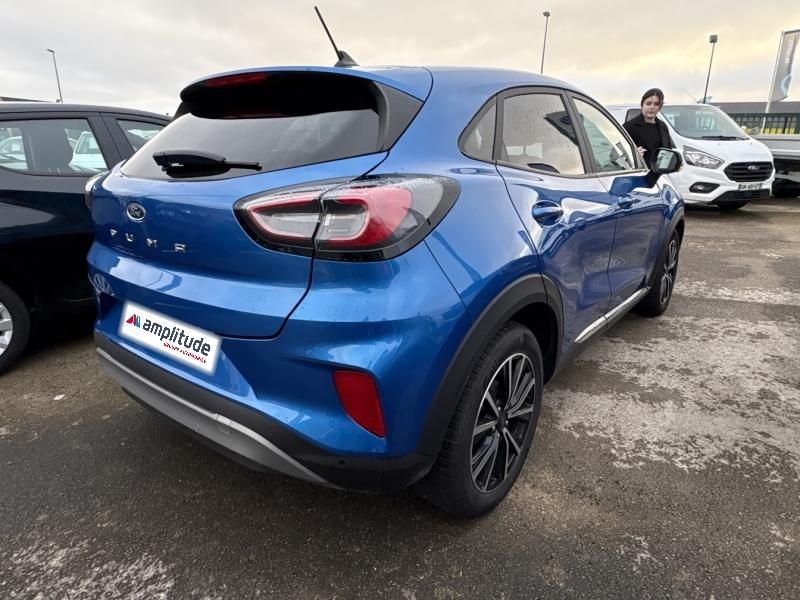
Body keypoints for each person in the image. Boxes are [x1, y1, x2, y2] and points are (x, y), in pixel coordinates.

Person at [624, 88, 673, 170]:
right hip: (639, 173)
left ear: (660, 107)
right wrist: (632, 155)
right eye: (648, 103)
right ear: (642, 105)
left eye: (656, 104)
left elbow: (669, 151)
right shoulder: (630, 126)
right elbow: (616, 155)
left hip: (659, 173)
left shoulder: (663, 126)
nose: (652, 107)